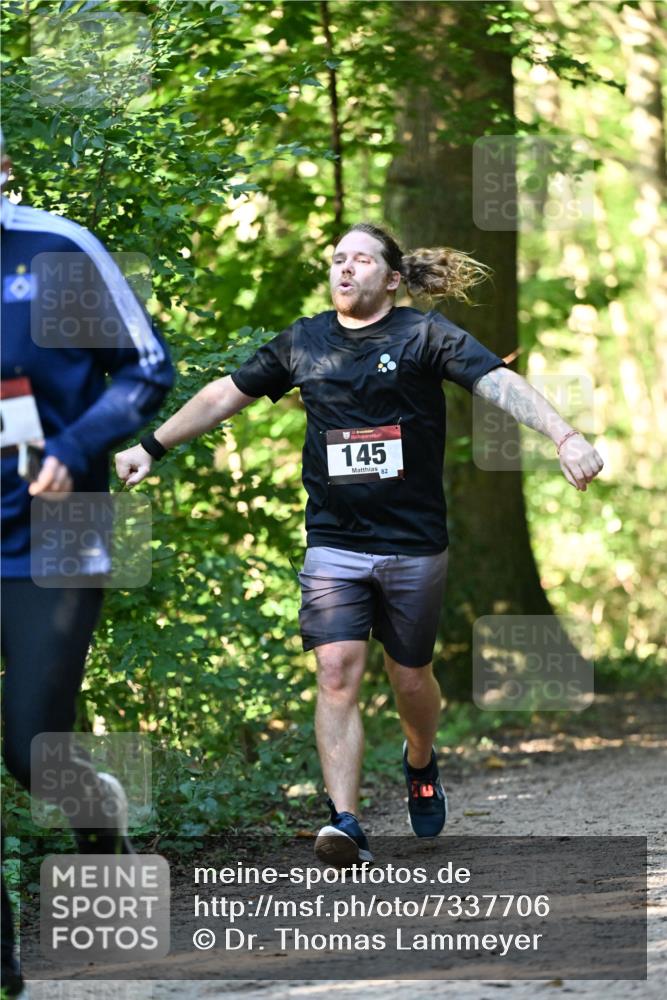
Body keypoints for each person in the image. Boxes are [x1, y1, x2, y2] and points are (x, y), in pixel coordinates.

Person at [115, 221, 603, 868]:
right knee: (337, 671)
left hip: (413, 543)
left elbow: (498, 384)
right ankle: (344, 821)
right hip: (334, 543)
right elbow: (221, 396)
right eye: (338, 259)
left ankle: (421, 761)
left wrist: (565, 436)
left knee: (410, 677)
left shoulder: (424, 334)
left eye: (362, 260)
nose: (345, 269)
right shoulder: (304, 341)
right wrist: (151, 447)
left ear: (393, 277)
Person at [0, 126, 174, 998]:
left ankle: (98, 819)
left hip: (55, 536)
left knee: (32, 748)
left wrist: (75, 442)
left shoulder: (57, 249)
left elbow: (146, 368)